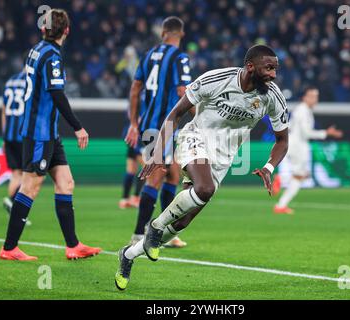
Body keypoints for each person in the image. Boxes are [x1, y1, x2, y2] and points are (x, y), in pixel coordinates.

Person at [115, 44, 289, 290]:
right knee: (204, 188)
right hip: (194, 139)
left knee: (183, 223)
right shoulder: (216, 79)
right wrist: (157, 151)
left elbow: (283, 141)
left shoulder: (272, 96)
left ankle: (128, 255)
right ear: (250, 66)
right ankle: (154, 226)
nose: (273, 75)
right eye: (268, 68)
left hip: (223, 159)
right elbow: (175, 114)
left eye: (275, 70)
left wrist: (270, 167)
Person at [0, 9, 101, 261]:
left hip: (48, 133)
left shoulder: (35, 50)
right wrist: (78, 126)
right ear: (66, 30)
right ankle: (9, 248)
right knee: (30, 186)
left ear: (43, 29)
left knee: (65, 182)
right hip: (39, 133)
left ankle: (73, 245)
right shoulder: (52, 56)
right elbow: (57, 94)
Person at [124, 16, 192, 249]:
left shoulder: (148, 55)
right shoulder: (180, 57)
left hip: (152, 125)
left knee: (173, 174)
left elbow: (135, 89)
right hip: (162, 126)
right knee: (156, 176)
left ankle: (165, 233)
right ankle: (137, 234)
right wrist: (202, 117)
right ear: (180, 35)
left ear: (163, 32)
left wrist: (133, 123)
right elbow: (184, 90)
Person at [274, 86, 343, 214]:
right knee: (300, 176)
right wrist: (326, 133)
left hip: (293, 144)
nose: (314, 99)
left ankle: (281, 203)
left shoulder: (302, 110)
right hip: (298, 147)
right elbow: (307, 133)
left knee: (302, 176)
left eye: (316, 96)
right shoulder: (303, 111)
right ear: (304, 97)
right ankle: (282, 181)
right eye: (311, 96)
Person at [1, 69, 32, 226]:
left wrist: (4, 135)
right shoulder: (31, 81)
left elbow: (3, 110)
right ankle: (15, 205)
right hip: (23, 135)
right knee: (30, 174)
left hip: (9, 135)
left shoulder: (10, 81)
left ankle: (13, 211)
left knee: (15, 174)